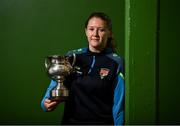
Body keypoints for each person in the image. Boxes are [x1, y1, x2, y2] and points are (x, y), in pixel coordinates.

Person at [41, 12, 125, 125]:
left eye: (101, 30)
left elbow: (118, 105)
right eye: (91, 29)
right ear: (86, 31)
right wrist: (45, 102)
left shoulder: (116, 62)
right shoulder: (72, 57)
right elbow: (55, 84)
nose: (95, 34)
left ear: (109, 33)